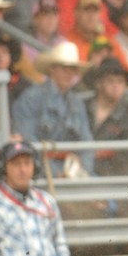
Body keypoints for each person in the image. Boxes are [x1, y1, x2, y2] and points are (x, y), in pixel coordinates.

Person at [12, 41, 94, 177]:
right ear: (52, 69)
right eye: (64, 68)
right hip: (40, 175)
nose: (69, 73)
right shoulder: (31, 98)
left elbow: (86, 143)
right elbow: (28, 141)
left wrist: (82, 170)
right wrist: (57, 173)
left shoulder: (77, 102)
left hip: (72, 172)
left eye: (73, 69)